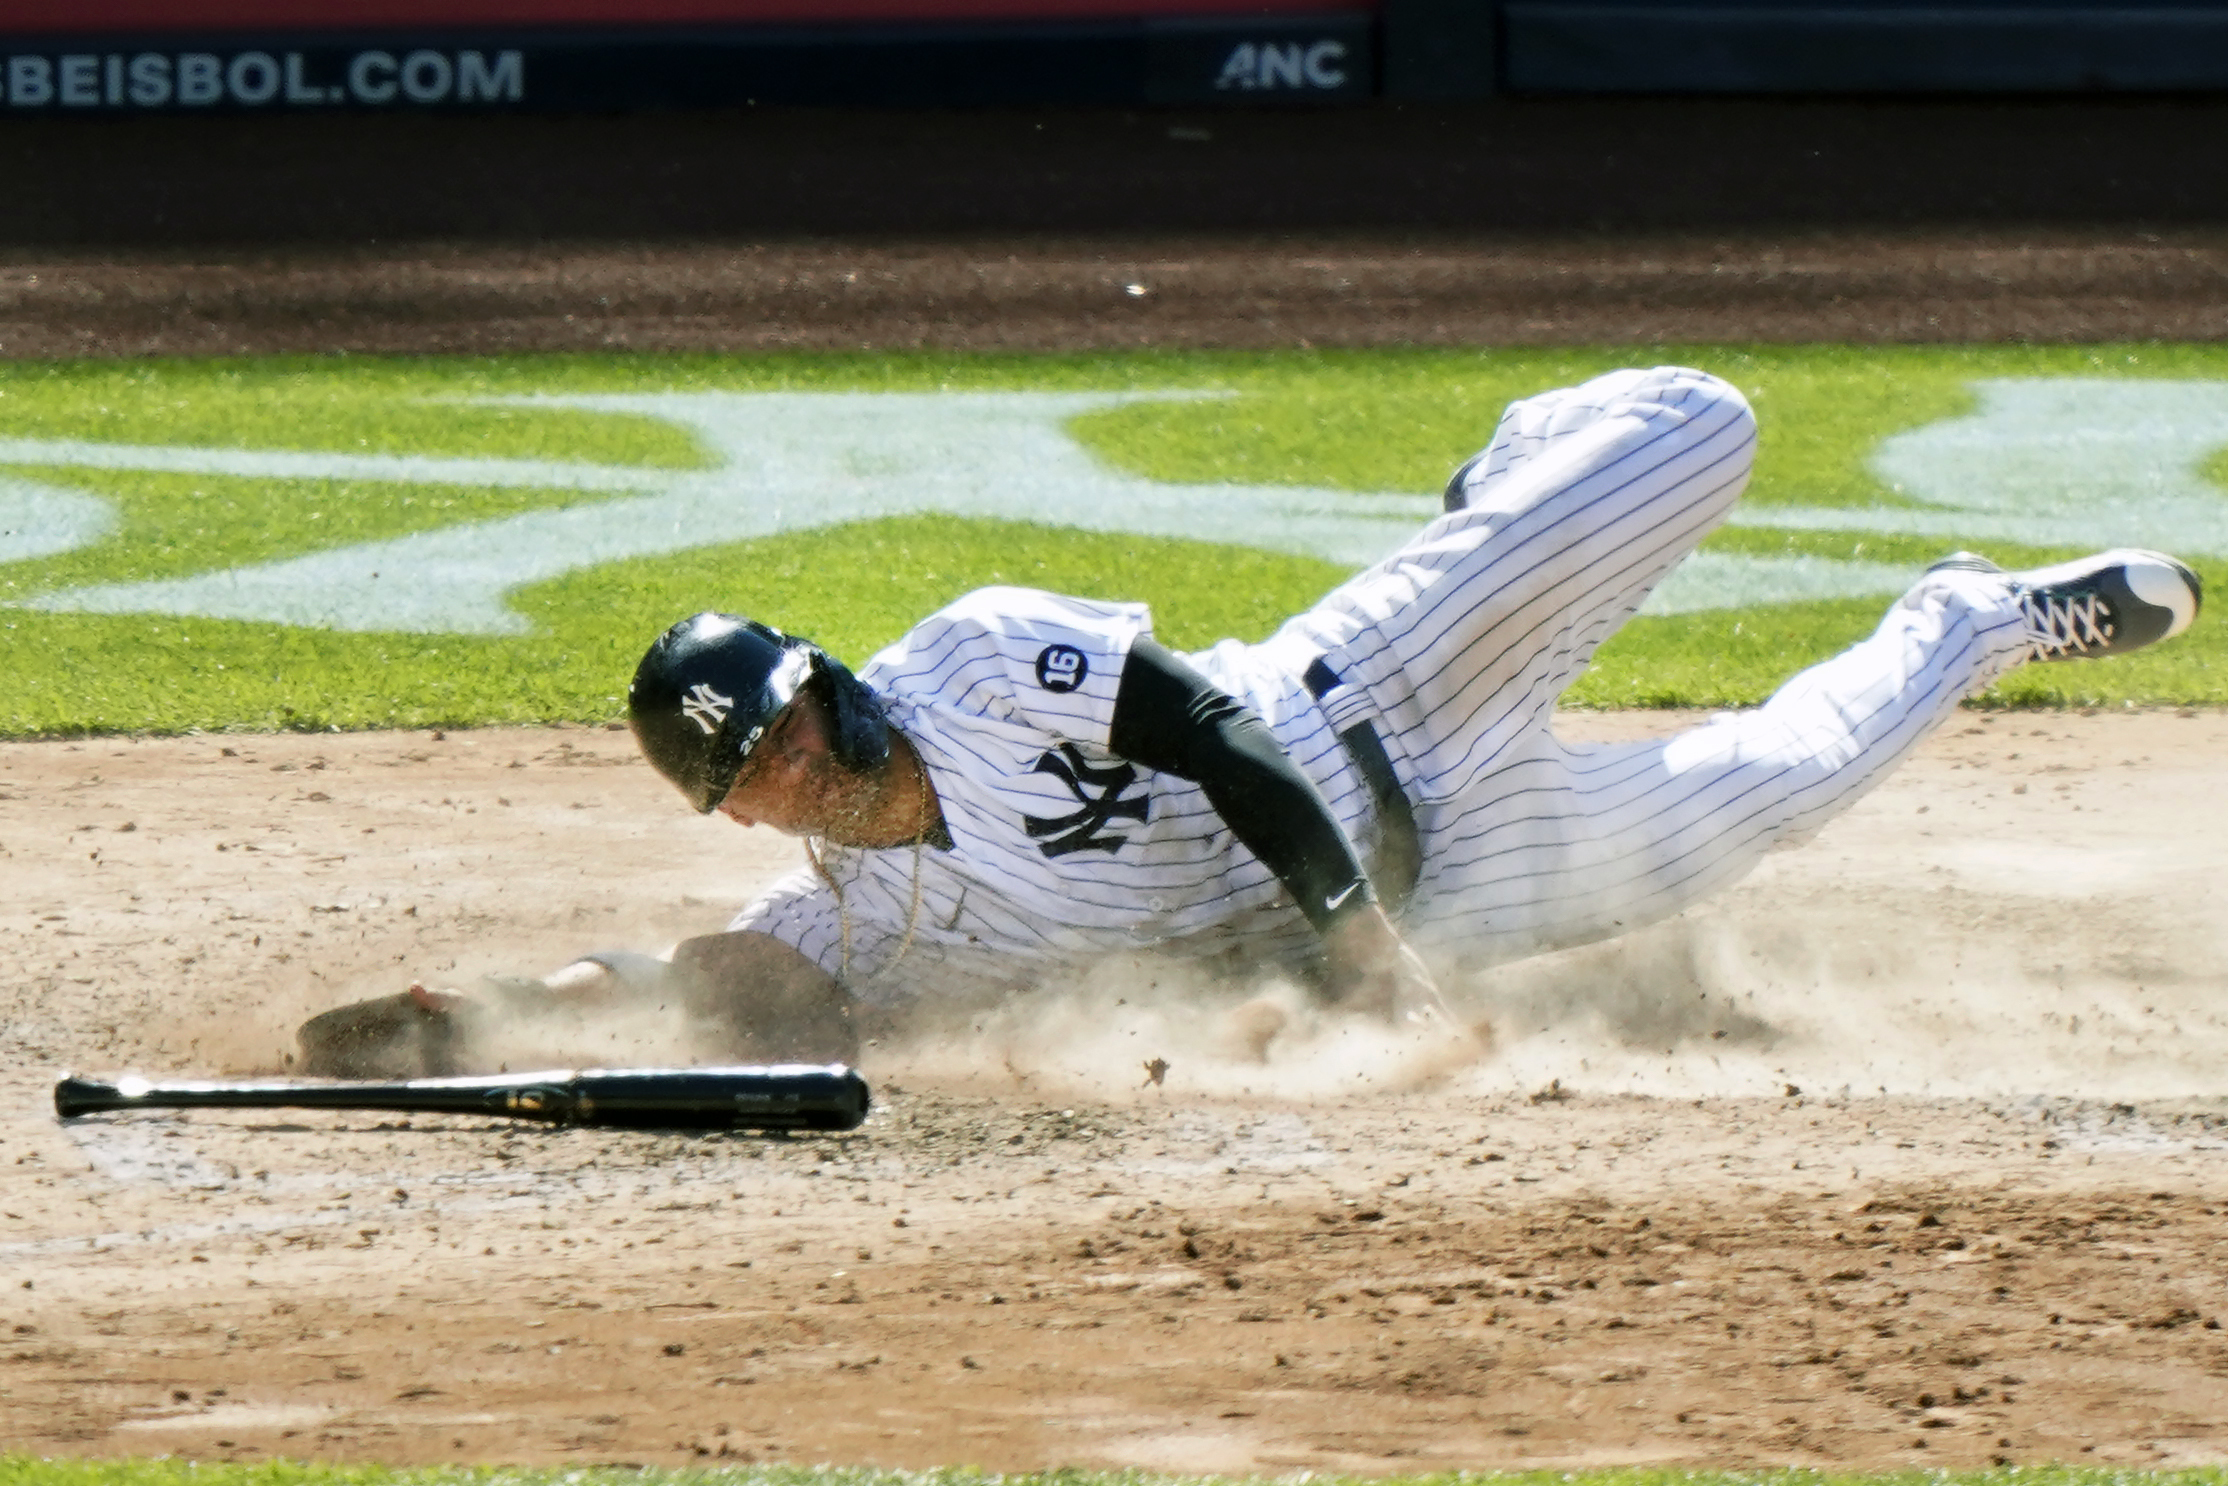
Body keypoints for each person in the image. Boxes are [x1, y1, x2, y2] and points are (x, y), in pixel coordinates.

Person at [297, 366, 2202, 1078]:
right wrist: (476, 1018)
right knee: (1786, 784)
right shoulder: (864, 920)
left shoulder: (967, 657)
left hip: (1372, 686)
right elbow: (706, 986)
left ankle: (1507, 471)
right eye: (766, 761)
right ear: (748, 801)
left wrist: (1352, 952)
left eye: (800, 703)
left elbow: (1213, 734)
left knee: (1699, 425)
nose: (806, 749)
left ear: (828, 671)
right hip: (1486, 878)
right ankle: (1977, 614)